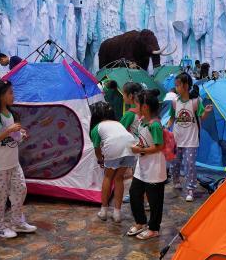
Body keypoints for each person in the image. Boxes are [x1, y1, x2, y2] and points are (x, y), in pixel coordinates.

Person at [0, 79, 35, 238]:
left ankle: (17, 221)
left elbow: (11, 137)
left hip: (13, 162)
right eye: (10, 93)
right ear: (0, 96)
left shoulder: (10, 114)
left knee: (20, 189)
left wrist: (20, 135)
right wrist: (8, 131)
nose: (14, 95)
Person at [126, 92, 166, 241]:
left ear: (145, 107)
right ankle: (141, 222)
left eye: (138, 104)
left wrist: (140, 150)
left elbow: (159, 146)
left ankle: (154, 228)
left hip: (155, 168)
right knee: (135, 193)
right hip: (142, 167)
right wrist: (138, 146)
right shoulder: (143, 122)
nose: (135, 107)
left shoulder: (155, 125)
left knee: (155, 200)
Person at [90, 102, 137, 223]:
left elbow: (97, 148)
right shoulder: (117, 123)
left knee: (108, 177)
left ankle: (104, 211)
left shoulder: (97, 128)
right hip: (130, 145)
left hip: (113, 147)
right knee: (119, 178)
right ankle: (117, 214)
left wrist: (100, 159)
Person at [169, 73, 212, 202]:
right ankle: (176, 180)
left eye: (178, 85)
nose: (176, 88)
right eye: (175, 85)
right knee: (174, 163)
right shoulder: (174, 102)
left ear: (186, 86)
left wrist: (206, 112)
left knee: (190, 164)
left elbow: (201, 118)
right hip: (177, 138)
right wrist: (166, 128)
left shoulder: (195, 101)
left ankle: (190, 189)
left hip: (191, 140)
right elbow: (172, 118)